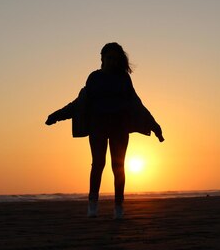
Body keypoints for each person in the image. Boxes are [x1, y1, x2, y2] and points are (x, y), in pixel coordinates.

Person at [45, 42, 164, 219]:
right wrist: (56, 115)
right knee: (98, 164)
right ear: (102, 58)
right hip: (98, 127)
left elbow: (136, 104)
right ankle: (92, 204)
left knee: (118, 168)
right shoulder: (94, 78)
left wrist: (155, 126)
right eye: (109, 58)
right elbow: (80, 103)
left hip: (119, 128)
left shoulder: (124, 79)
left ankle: (118, 207)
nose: (112, 62)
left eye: (115, 59)